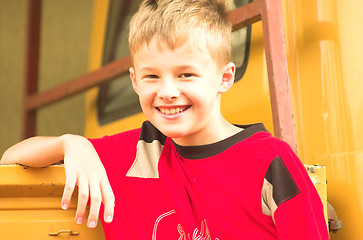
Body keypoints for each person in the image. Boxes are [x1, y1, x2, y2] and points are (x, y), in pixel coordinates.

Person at [1, 0, 329, 239]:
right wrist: (70, 143)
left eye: (186, 74)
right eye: (152, 77)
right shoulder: (136, 153)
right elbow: (12, 158)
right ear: (133, 80)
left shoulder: (271, 162)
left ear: (224, 77)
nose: (167, 91)